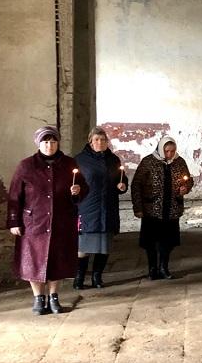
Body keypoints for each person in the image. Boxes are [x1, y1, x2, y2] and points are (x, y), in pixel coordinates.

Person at [8, 126, 87, 315]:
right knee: (34, 260)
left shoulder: (69, 164)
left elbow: (83, 187)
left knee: (57, 259)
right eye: (45, 142)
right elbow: (14, 195)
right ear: (38, 143)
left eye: (53, 142)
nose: (49, 145)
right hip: (34, 222)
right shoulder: (26, 166)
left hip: (61, 220)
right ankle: (38, 298)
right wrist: (14, 221)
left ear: (58, 143)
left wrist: (77, 191)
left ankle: (53, 296)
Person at [131, 135, 194, 280]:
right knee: (151, 241)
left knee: (168, 241)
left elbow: (188, 180)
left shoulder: (179, 162)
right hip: (152, 209)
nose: (169, 154)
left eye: (172, 151)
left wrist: (186, 187)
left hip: (171, 208)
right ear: (161, 149)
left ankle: (163, 267)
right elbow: (136, 185)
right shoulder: (148, 161)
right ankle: (153, 268)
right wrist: (138, 207)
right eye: (166, 151)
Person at [74, 127, 128, 289]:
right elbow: (72, 181)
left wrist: (122, 186)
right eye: (96, 139)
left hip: (108, 207)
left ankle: (97, 276)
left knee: (104, 246)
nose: (100, 142)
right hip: (87, 208)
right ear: (90, 142)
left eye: (103, 140)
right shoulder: (80, 160)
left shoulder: (113, 160)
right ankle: (79, 277)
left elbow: (121, 178)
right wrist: (74, 190)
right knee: (83, 247)